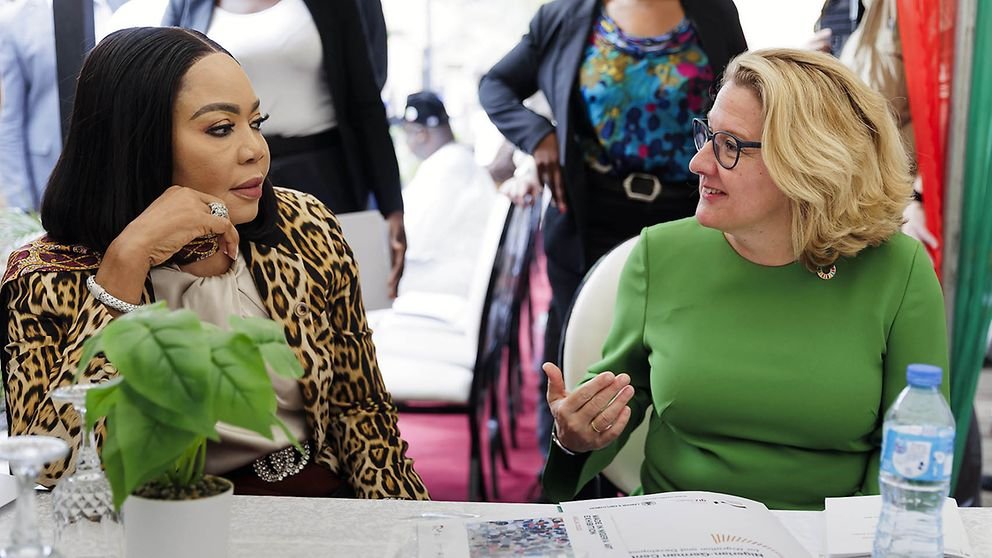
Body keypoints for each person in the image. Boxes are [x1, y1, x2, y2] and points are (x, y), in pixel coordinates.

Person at [0, 27, 429, 500]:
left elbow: (362, 410)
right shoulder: (48, 276)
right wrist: (124, 266)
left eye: (256, 122)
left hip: (315, 500)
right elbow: (50, 470)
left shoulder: (304, 228)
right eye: (221, 128)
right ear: (137, 143)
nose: (255, 150)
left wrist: (405, 525)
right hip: (158, 520)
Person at [541, 48, 949, 510]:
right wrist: (576, 438)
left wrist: (854, 539)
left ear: (809, 163)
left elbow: (914, 446)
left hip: (828, 536)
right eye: (707, 134)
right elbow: (616, 401)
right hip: (674, 527)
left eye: (730, 145)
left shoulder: (899, 271)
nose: (698, 163)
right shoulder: (660, 254)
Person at [478, 0, 748, 466]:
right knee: (577, 359)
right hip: (588, 215)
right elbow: (495, 85)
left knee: (678, 356)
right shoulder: (565, 14)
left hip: (686, 213)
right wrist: (538, 135)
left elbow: (745, 97)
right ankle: (570, 485)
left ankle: (666, 478)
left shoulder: (714, 10)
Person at [108, 0, 408, 298]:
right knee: (238, 297)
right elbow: (162, 91)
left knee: (346, 292)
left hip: (324, 169)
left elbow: (366, 101)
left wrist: (391, 205)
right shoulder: (188, 5)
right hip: (223, 176)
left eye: (257, 121)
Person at [0, 0, 128, 211]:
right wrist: (21, 206)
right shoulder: (16, 21)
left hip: (119, 163)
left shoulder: (128, 8)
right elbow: (10, 120)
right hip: (50, 169)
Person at [398, 91, 499, 297]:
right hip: (464, 278)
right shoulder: (455, 160)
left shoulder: (445, 167)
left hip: (455, 286)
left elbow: (411, 238)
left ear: (420, 134)